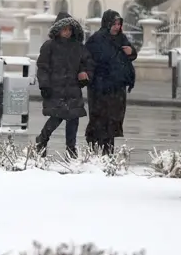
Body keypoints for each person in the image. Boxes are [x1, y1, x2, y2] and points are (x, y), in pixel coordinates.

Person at [36, 11, 93, 158]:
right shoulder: (49, 46)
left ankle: (71, 148)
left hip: (73, 89)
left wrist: (84, 75)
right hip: (56, 89)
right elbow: (43, 67)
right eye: (64, 29)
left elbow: (87, 65)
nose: (67, 32)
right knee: (56, 117)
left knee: (73, 119)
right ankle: (42, 140)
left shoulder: (78, 47)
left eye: (69, 29)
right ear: (58, 29)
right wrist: (44, 85)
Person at [84, 9, 137, 155]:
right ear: (107, 24)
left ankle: (108, 153)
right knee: (99, 119)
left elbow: (131, 54)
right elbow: (88, 60)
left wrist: (131, 52)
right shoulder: (96, 40)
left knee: (113, 120)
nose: (117, 27)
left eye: (119, 24)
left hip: (117, 88)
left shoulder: (121, 38)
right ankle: (95, 151)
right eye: (114, 24)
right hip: (99, 89)